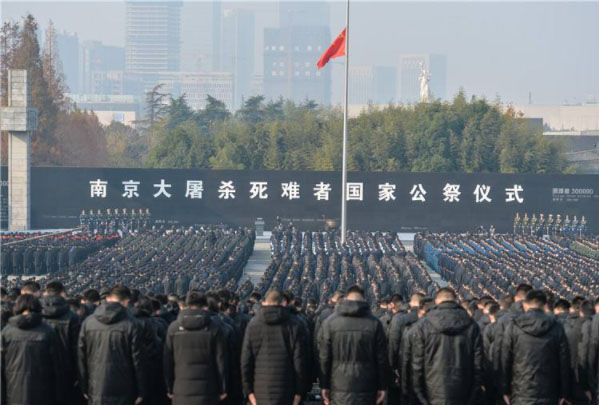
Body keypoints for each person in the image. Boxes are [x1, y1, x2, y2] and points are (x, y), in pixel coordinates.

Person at [318, 285, 388, 405]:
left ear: (346, 299)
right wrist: (382, 386)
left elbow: (324, 357)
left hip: (339, 384)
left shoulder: (330, 323)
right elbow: (381, 359)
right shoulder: (375, 324)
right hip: (367, 384)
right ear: (364, 299)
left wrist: (324, 385)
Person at [412, 287, 483, 405]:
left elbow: (417, 364)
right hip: (463, 390)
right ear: (456, 301)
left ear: (436, 302)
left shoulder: (424, 325)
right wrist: (473, 394)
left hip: (433, 390)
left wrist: (420, 395)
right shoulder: (471, 325)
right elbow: (478, 364)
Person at [78, 285, 147, 405]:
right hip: (124, 388)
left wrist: (84, 386)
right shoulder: (131, 324)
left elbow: (81, 357)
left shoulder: (88, 322)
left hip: (96, 386)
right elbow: (138, 361)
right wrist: (141, 391)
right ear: (126, 301)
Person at [501, 290, 570, 405]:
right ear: (545, 306)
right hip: (549, 392)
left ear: (525, 304)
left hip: (521, 392)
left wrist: (505, 390)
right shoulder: (556, 326)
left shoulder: (514, 326)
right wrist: (564, 393)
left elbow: (505, 360)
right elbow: (564, 362)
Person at [241, 289, 306, 405]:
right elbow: (299, 361)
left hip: (260, 388)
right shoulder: (294, 325)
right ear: (284, 303)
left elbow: (246, 361)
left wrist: (248, 391)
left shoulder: (253, 324)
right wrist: (299, 392)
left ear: (264, 302)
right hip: (287, 388)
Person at [163, 291, 229, 405]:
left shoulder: (174, 328)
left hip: (181, 389)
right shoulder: (214, 328)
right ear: (205, 306)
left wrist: (169, 387)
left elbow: (168, 361)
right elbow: (221, 361)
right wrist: (223, 388)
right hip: (208, 390)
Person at [1, 294, 64, 405]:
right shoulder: (48, 331)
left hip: (13, 391)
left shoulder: (7, 332)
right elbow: (57, 366)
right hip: (43, 392)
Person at [40, 281, 81, 403]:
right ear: (63, 293)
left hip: (40, 370)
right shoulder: (72, 316)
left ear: (45, 293)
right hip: (66, 372)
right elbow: (77, 349)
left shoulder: (37, 314)